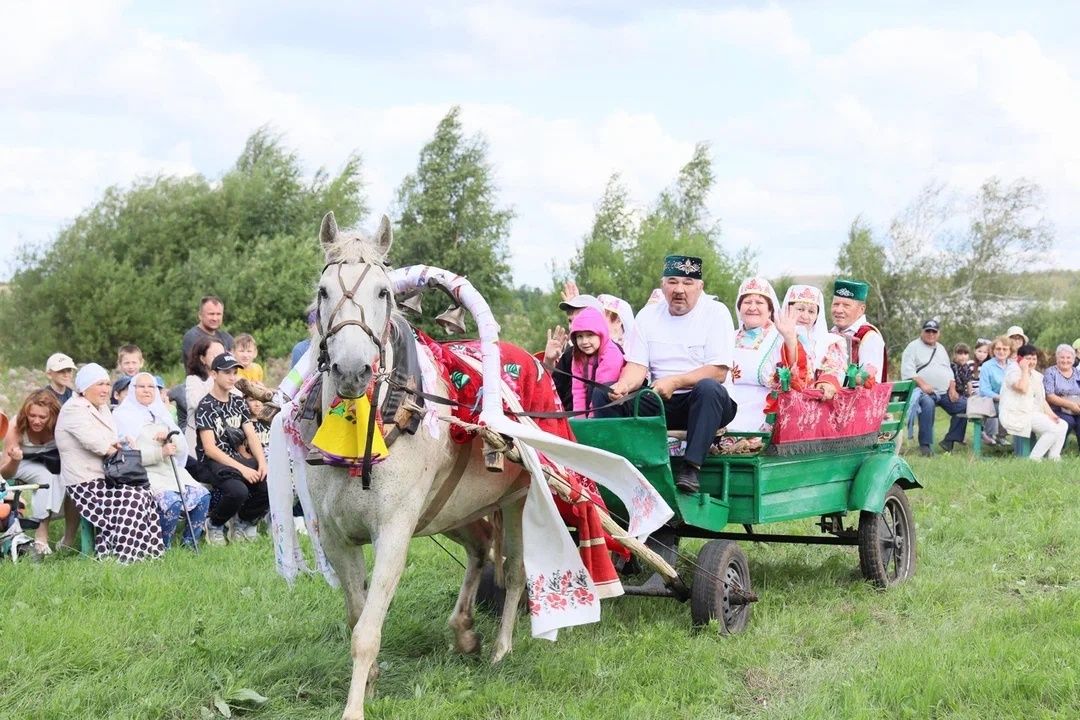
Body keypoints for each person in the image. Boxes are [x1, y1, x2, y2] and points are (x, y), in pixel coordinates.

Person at [608, 255, 737, 494]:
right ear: (662, 285)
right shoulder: (648, 315)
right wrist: (623, 385)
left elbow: (718, 371)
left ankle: (691, 468)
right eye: (673, 282)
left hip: (705, 403)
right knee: (607, 394)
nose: (679, 289)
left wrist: (676, 381)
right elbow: (637, 366)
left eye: (688, 283)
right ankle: (617, 467)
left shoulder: (716, 313)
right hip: (661, 399)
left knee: (708, 388)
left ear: (700, 286)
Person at [54, 363, 164, 562]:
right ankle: (122, 556)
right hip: (85, 482)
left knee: (143, 492)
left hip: (106, 477)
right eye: (99, 384)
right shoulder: (73, 409)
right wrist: (121, 450)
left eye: (107, 384)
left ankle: (146, 554)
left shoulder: (101, 407)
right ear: (84, 388)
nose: (105, 389)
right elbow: (96, 443)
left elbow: (111, 437)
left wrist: (122, 442)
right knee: (131, 498)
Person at [114, 373, 211, 548]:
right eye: (141, 386)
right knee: (171, 502)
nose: (146, 390)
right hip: (146, 474)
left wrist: (170, 438)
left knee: (203, 496)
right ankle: (161, 545)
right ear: (132, 389)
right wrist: (160, 452)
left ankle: (189, 543)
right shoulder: (122, 416)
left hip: (171, 471)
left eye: (151, 387)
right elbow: (128, 456)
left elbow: (181, 448)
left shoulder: (161, 413)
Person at [195, 352, 269, 545]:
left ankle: (242, 522)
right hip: (215, 462)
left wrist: (262, 463)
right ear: (213, 374)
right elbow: (210, 449)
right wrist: (244, 469)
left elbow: (252, 436)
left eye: (234, 372)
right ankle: (215, 524)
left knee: (268, 483)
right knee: (238, 491)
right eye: (226, 372)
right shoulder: (205, 406)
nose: (232, 377)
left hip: (238, 458)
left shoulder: (238, 402)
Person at [0, 390, 78, 553]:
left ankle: (68, 540)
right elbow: (4, 474)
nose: (36, 421)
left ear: (53, 416)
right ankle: (41, 534)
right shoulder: (16, 426)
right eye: (32, 415)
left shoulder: (61, 425)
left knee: (72, 479)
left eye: (43, 417)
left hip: (53, 463)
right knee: (46, 476)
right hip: (20, 463)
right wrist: (15, 459)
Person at [727, 276, 808, 432]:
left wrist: (790, 339)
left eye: (759, 303)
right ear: (739, 307)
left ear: (770, 309)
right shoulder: (727, 337)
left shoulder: (780, 336)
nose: (752, 307)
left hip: (763, 408)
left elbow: (798, 377)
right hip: (725, 404)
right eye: (747, 302)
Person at [900, 319, 968, 456]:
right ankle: (925, 446)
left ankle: (950, 440)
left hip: (943, 392)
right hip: (922, 391)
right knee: (927, 403)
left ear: (938, 333)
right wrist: (923, 384)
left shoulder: (940, 348)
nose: (931, 334)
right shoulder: (912, 347)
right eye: (928, 331)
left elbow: (948, 371)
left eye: (934, 331)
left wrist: (952, 388)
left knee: (965, 406)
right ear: (922, 331)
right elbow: (908, 371)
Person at [543, 283, 605, 412]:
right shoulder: (569, 355)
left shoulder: (614, 352)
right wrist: (548, 362)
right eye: (570, 321)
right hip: (569, 424)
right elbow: (547, 394)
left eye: (579, 319)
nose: (572, 326)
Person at [1000, 344, 1067, 461]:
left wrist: (1051, 414)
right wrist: (1024, 370)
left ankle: (1054, 456)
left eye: (1034, 359)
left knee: (1062, 424)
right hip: (1017, 413)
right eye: (1028, 358)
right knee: (1053, 430)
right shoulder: (1013, 371)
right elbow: (1022, 388)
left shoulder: (1036, 375)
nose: (1031, 362)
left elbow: (1041, 399)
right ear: (1019, 359)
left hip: (1033, 412)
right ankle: (1035, 458)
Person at [781, 284, 847, 394]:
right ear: (788, 310)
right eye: (800, 309)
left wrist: (826, 383)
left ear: (818, 315)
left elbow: (835, 371)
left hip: (815, 403)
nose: (805, 316)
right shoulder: (772, 337)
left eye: (811, 311)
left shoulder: (829, 342)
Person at [566, 307, 625, 417]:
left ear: (601, 334)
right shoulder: (578, 356)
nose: (584, 341)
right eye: (579, 336)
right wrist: (580, 419)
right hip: (593, 404)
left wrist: (592, 419)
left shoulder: (611, 353)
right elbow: (578, 390)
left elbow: (601, 391)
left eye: (590, 335)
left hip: (613, 407)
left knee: (600, 392)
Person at [830, 279, 886, 382]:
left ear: (861, 309)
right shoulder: (830, 334)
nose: (838, 310)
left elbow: (869, 382)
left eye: (846, 305)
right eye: (835, 304)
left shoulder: (869, 337)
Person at [184, 338, 225, 456]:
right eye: (215, 356)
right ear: (202, 359)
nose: (220, 360)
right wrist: (214, 377)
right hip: (197, 441)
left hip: (223, 439)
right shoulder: (193, 380)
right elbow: (196, 403)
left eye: (222, 355)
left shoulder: (229, 379)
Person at [1042, 344, 1080, 451]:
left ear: (1073, 359)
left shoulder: (1078, 373)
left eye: (1068, 358)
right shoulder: (1051, 372)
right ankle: (1056, 448)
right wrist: (1071, 405)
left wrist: (1076, 406)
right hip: (1057, 409)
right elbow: (1050, 396)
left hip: (1077, 407)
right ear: (1057, 358)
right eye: (1062, 357)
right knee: (1069, 421)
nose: (1065, 360)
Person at [978, 335, 1015, 442]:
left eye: (1005, 349)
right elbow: (984, 390)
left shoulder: (1014, 366)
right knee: (1003, 407)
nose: (1001, 352)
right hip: (991, 400)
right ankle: (990, 435)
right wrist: (1000, 397)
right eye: (998, 349)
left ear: (1010, 351)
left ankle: (1002, 436)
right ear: (993, 350)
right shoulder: (987, 366)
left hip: (1010, 400)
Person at [181, 295, 234, 366]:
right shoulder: (192, 337)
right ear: (200, 315)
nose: (215, 318)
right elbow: (201, 367)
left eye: (218, 314)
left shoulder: (227, 338)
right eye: (211, 314)